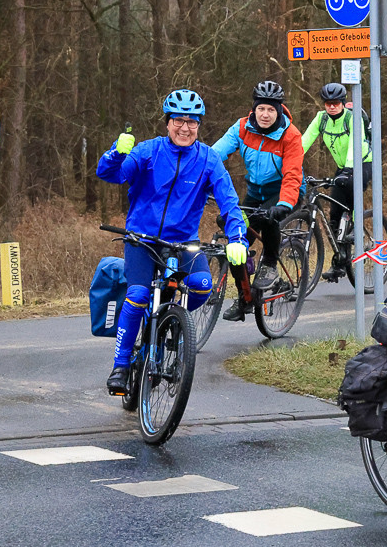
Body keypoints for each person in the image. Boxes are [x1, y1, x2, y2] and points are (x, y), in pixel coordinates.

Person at [97, 89, 247, 395]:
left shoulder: (208, 160)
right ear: (168, 123)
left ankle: (170, 321)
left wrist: (237, 239)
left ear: (199, 126)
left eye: (192, 122)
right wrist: (116, 153)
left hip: (183, 242)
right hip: (142, 238)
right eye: (179, 120)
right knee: (138, 294)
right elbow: (109, 174)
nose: (185, 128)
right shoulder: (148, 151)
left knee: (203, 286)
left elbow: (230, 202)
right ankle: (122, 365)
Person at [212, 81, 303, 320]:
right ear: (254, 109)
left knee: (269, 216)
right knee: (237, 239)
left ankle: (270, 264)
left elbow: (293, 174)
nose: (265, 114)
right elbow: (214, 155)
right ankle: (244, 300)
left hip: (283, 191)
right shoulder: (242, 128)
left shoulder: (290, 135)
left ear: (279, 110)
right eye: (261, 109)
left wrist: (284, 204)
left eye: (271, 110)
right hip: (255, 190)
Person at [300, 82, 373, 281]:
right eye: (328, 103)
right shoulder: (321, 119)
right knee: (334, 212)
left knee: (351, 188)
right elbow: (304, 141)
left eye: (335, 103)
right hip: (343, 166)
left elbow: (354, 146)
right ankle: (339, 262)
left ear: (342, 103)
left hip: (362, 161)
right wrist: (291, 162)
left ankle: (358, 230)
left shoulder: (352, 118)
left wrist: (349, 169)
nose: (331, 107)